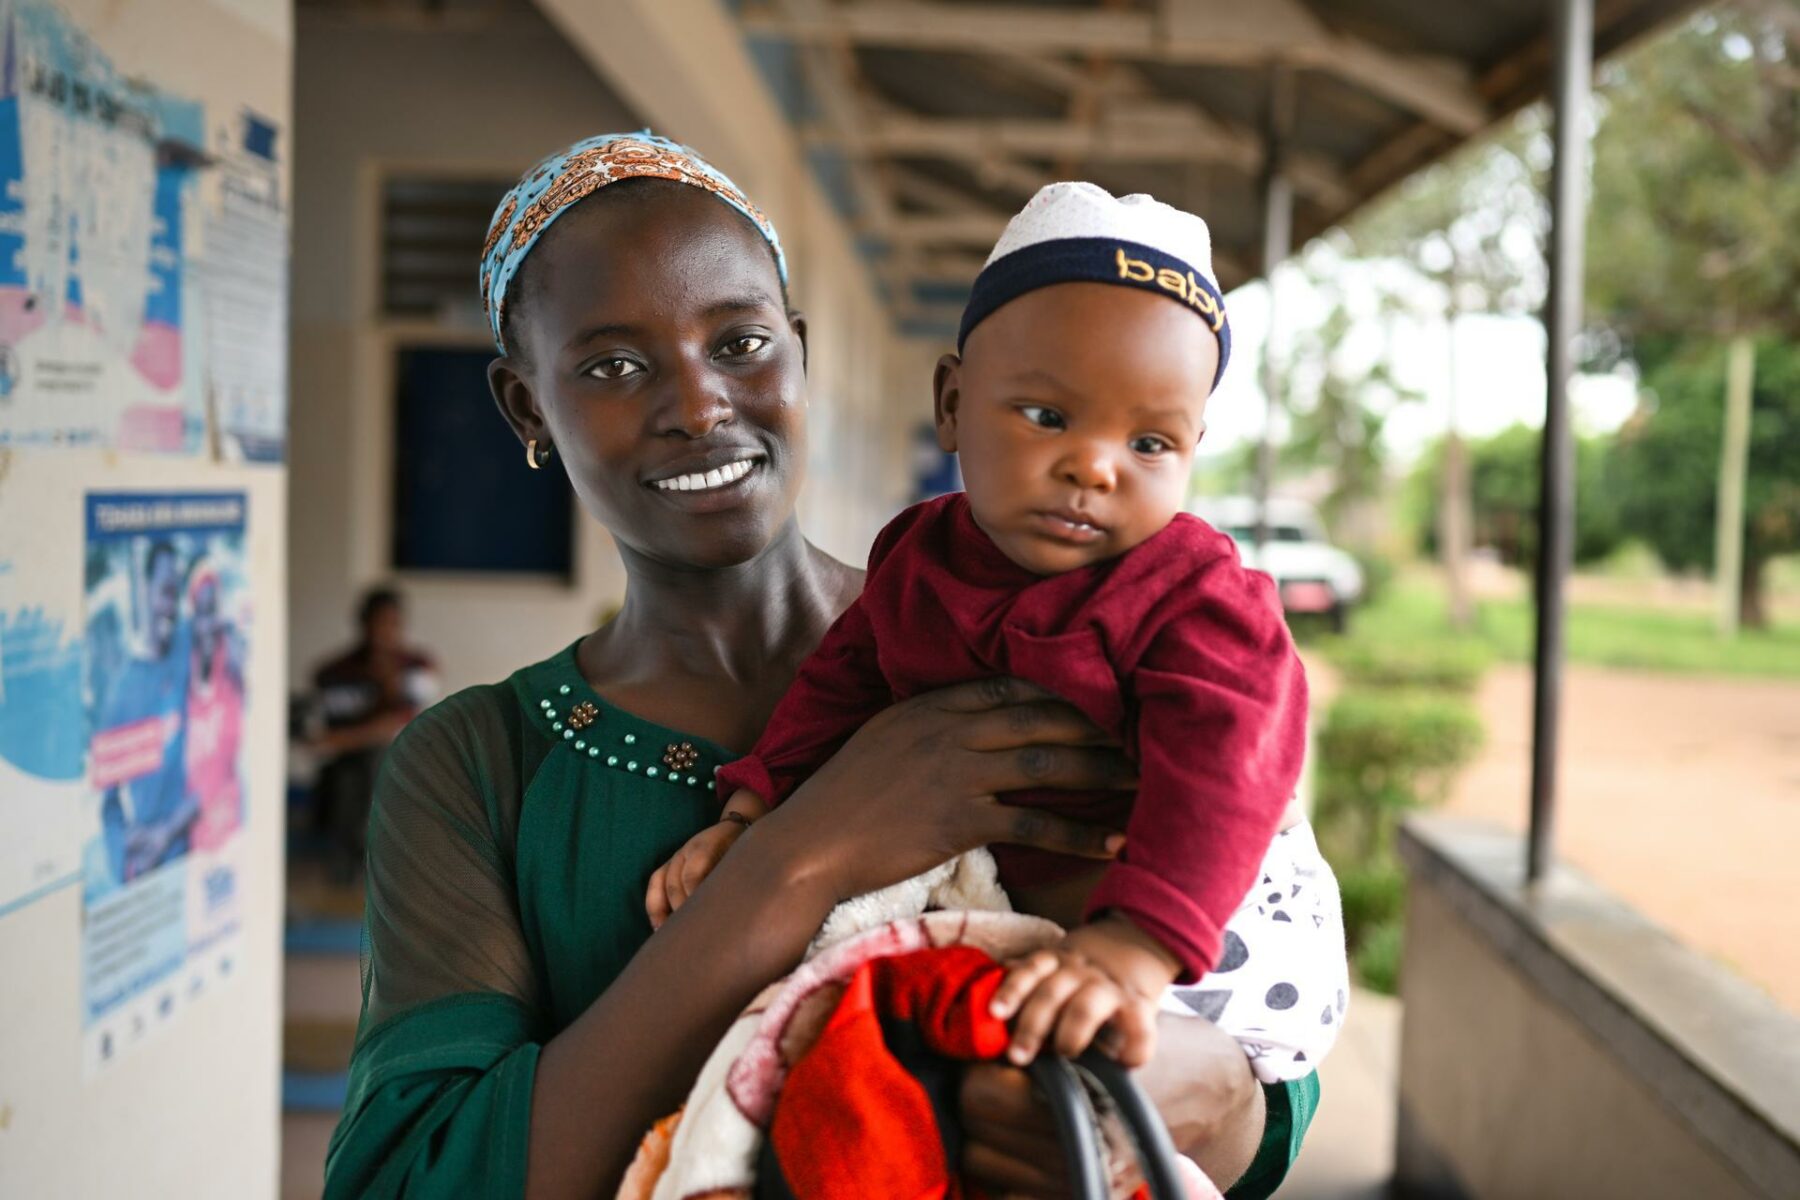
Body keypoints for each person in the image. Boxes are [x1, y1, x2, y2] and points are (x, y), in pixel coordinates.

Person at [325, 132, 1341, 1200]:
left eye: (741, 343)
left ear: (798, 354)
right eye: (613, 366)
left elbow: (1261, 1058)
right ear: (528, 407)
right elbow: (404, 1181)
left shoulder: (1055, 638)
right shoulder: (477, 765)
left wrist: (1161, 1091)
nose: (700, 405)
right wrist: (793, 861)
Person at [663, 182, 1306, 1073]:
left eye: (1150, 444)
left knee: (1095, 1108)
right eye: (1048, 418)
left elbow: (1230, 765)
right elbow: (840, 684)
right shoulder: (919, 559)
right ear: (953, 404)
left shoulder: (1191, 593)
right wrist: (753, 809)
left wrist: (1137, 944)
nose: (1094, 467)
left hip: (1189, 932)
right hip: (998, 910)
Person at [308, 587, 438, 877]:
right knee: (349, 775)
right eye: (378, 622)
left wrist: (388, 678)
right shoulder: (334, 672)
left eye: (392, 623)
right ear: (362, 622)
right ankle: (351, 862)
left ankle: (377, 860)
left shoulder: (417, 667)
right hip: (347, 765)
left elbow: (400, 721)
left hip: (406, 762)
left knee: (378, 759)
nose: (384, 632)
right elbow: (322, 728)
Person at [97, 539, 198, 883]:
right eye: (166, 592)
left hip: (200, 852)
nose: (171, 606)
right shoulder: (121, 693)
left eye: (177, 594)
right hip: (155, 873)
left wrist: (167, 832)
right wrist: (129, 857)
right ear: (145, 589)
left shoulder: (189, 648)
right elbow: (109, 805)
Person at [184, 561, 245, 854]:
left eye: (214, 612)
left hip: (230, 832)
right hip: (191, 838)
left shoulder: (232, 676)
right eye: (202, 613)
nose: (209, 625)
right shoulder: (182, 682)